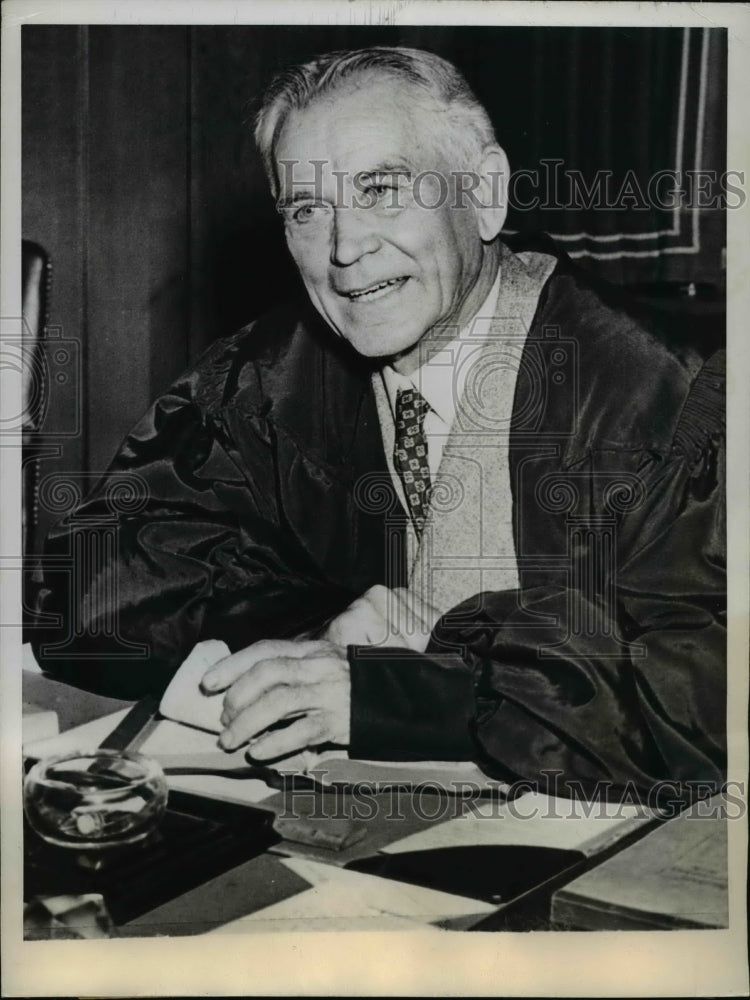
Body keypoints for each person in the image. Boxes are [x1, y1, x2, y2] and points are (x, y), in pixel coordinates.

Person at [33, 46, 725, 798]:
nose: (344, 248)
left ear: (486, 193)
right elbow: (92, 599)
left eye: (383, 189)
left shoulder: (662, 393)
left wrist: (417, 682)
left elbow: (707, 700)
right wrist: (320, 625)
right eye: (306, 210)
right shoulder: (272, 376)